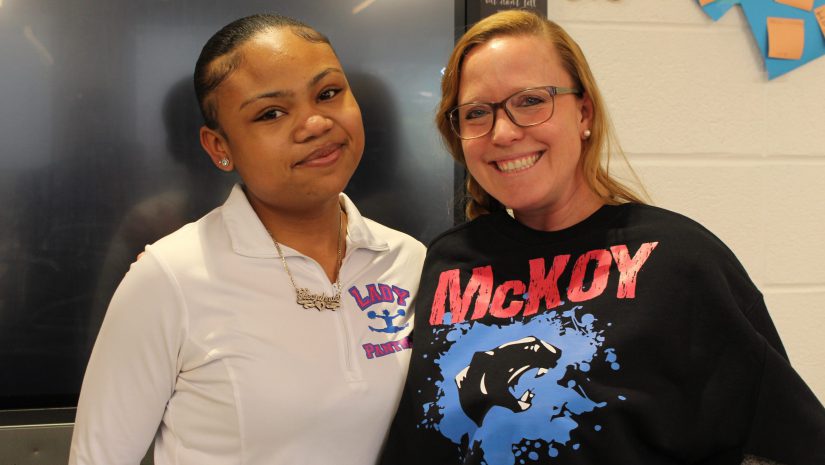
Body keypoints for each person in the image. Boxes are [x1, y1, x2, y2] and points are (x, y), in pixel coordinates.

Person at [380, 9, 825, 465]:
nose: (505, 131)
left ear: (584, 112)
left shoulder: (678, 261)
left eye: (531, 101)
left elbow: (790, 444)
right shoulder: (448, 262)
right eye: (477, 113)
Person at [69, 14, 425, 465]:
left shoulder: (409, 261)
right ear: (219, 147)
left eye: (328, 93)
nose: (314, 123)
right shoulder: (170, 277)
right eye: (271, 113)